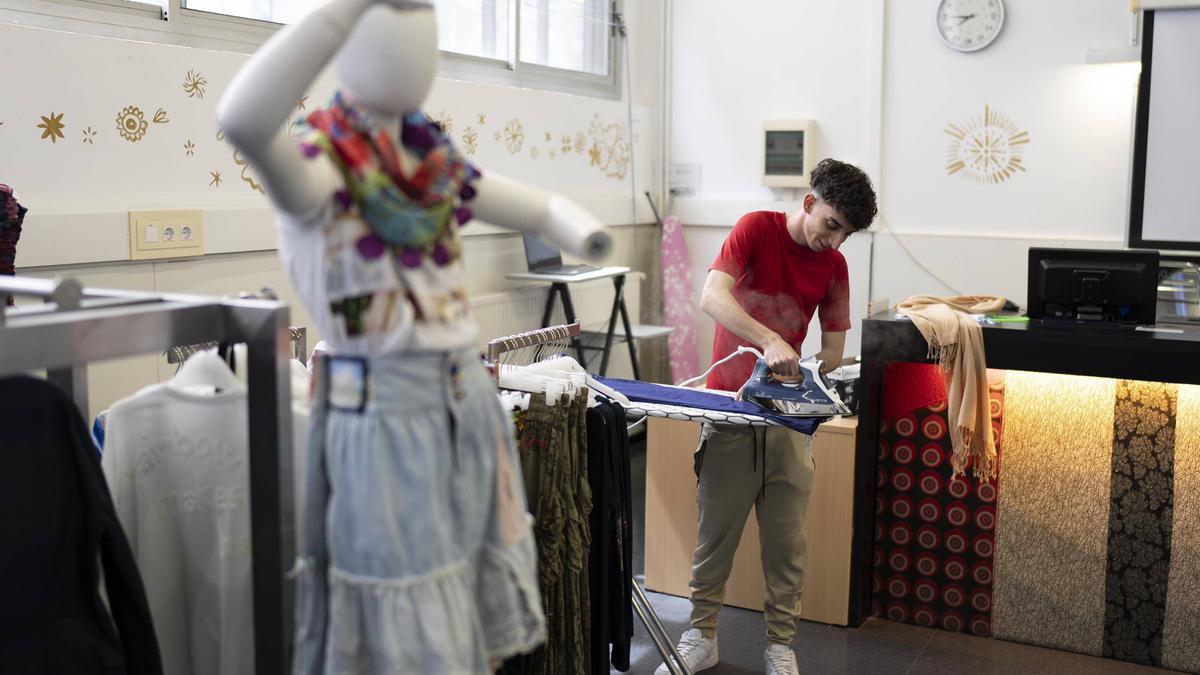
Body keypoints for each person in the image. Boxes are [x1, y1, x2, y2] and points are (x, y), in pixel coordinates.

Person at [658, 158, 877, 675]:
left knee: (786, 545)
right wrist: (770, 338)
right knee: (714, 538)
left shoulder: (834, 267)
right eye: (831, 225)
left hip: (785, 419)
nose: (835, 241)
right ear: (808, 204)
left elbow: (833, 349)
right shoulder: (755, 229)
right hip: (730, 410)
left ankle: (780, 646)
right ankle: (701, 637)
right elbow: (712, 295)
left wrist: (811, 374)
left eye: (846, 234)